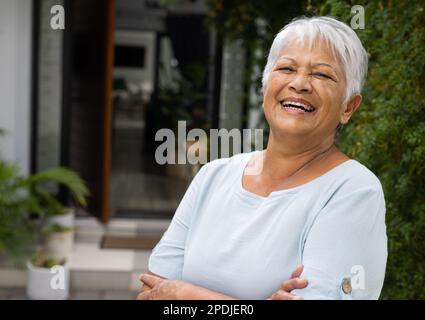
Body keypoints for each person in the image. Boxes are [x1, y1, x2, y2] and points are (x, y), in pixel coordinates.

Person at [137, 16, 388, 300]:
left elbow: (170, 295)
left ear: (348, 106)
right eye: (286, 68)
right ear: (264, 87)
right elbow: (151, 293)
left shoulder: (353, 191)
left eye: (322, 75)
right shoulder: (213, 176)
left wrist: (188, 295)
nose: (300, 83)